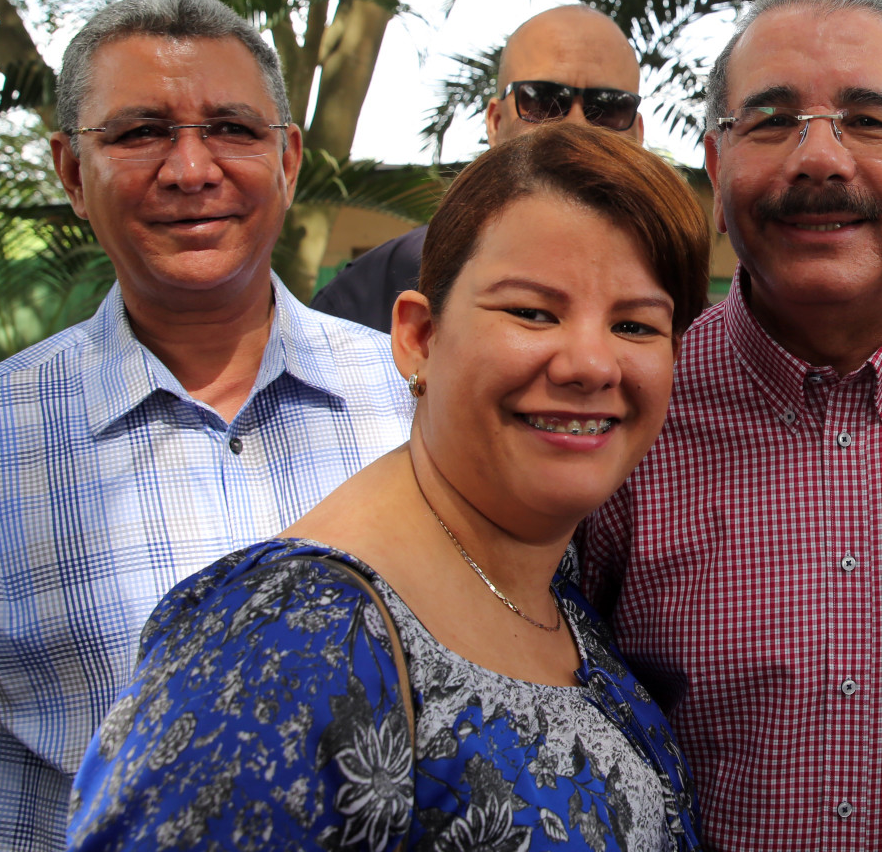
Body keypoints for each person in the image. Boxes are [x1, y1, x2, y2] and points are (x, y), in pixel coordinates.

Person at [68, 124, 709, 850]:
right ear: (418, 337)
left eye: (635, 325)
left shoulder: (551, 582)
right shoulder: (287, 643)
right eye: (532, 312)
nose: (591, 364)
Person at [0, 0, 414, 851]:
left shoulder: (416, 406)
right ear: (72, 172)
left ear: (288, 159)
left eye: (231, 128)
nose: (190, 169)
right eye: (141, 132)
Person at [577, 0, 882, 850]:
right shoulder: (630, 401)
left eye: (869, 121)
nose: (822, 159)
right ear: (716, 169)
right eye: (772, 122)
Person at [312, 4, 646, 332]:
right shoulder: (372, 293)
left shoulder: (667, 275)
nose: (576, 126)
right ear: (496, 122)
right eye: (543, 101)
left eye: (608, 108)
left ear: (637, 134)